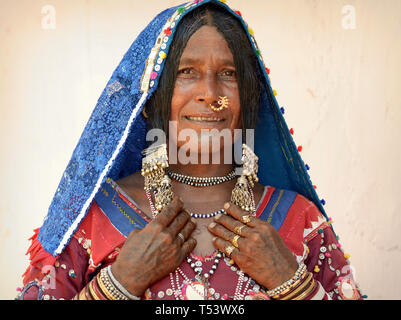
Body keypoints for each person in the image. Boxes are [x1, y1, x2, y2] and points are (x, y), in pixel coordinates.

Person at [17, 0, 364, 300]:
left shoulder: (299, 221)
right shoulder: (94, 219)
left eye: (228, 74)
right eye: (186, 72)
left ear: (250, 99)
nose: (210, 95)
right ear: (151, 101)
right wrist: (120, 283)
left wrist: (291, 283)